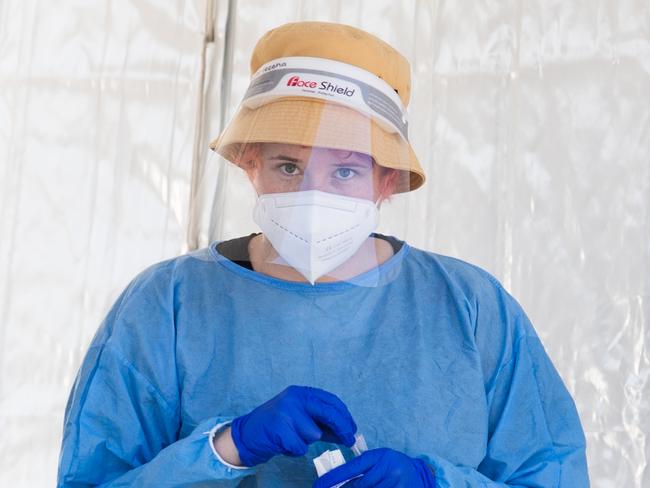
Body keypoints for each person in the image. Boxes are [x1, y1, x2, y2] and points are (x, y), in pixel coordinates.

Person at [57, 21, 589, 487]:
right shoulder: (167, 306)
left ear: (386, 181)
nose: (314, 195)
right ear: (249, 162)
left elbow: (553, 476)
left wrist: (432, 482)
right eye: (288, 167)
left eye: (345, 171)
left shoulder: (469, 308)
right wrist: (227, 447)